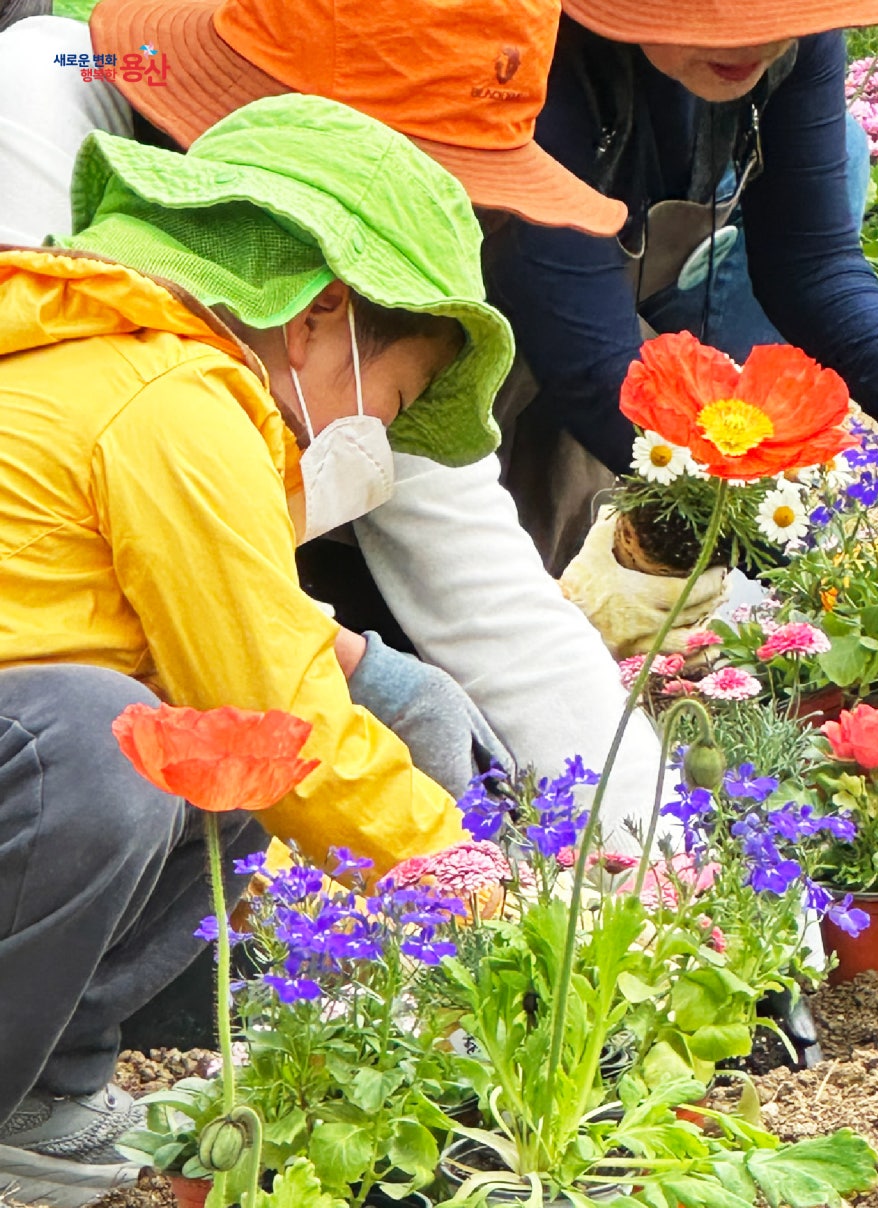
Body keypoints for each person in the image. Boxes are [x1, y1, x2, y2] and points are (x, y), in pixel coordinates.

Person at [0, 92, 524, 1206]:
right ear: (320, 313)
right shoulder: (174, 397)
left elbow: (217, 638)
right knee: (129, 747)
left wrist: (353, 658)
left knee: (202, 758)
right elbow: (271, 703)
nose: (369, 437)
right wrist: (456, 870)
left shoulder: (124, 366)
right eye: (390, 400)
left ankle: (41, 1092)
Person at [0, 0, 687, 834]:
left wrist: (652, 851)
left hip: (119, 650)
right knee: (115, 741)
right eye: (420, 172)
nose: (432, 213)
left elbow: (486, 597)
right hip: (53, 710)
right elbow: (249, 684)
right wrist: (463, 889)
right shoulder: (56, 89)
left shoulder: (328, 350)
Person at [483, 0, 878, 590]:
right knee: (482, 566)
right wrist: (784, 542)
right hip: (468, 347)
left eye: (773, 19)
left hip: (622, 318)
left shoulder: (798, 34)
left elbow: (810, 262)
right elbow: (588, 360)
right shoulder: (530, 53)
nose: (747, 45)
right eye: (712, 20)